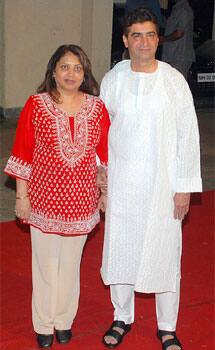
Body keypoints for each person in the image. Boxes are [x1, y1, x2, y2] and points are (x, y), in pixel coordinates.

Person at [99, 7, 202, 350]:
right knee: (122, 249)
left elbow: (188, 136)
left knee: (165, 252)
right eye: (136, 35)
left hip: (163, 184)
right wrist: (102, 179)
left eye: (150, 35)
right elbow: (102, 131)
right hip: (123, 183)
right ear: (126, 40)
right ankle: (121, 316)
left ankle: (167, 326)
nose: (144, 42)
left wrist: (184, 187)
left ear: (158, 39)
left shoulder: (173, 80)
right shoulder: (114, 78)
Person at [4, 44, 110, 348]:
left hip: (81, 201)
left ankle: (64, 321)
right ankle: (43, 323)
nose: (71, 74)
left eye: (78, 68)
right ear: (53, 71)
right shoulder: (37, 105)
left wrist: (103, 192)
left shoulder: (96, 108)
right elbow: (23, 152)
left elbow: (103, 155)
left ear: (85, 74)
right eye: (65, 67)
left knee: (70, 266)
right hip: (43, 201)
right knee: (45, 265)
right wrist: (21, 197)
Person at [160, 0, 195, 79]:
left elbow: (179, 33)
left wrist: (163, 39)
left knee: (177, 86)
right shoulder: (177, 8)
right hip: (174, 55)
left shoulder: (184, 9)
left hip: (180, 56)